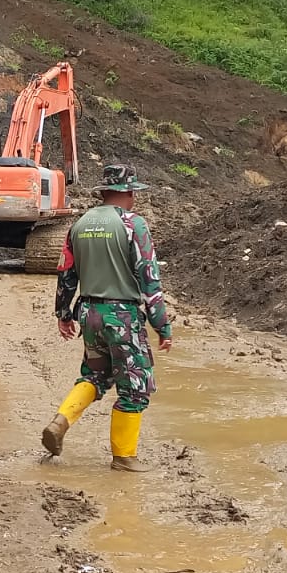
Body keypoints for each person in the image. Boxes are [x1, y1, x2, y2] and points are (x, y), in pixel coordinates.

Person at [41, 164, 174, 472]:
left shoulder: (79, 224)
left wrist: (63, 313)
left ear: (102, 192)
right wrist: (162, 326)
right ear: (129, 193)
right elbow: (149, 280)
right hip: (122, 317)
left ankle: (61, 422)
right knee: (135, 387)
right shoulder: (133, 225)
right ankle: (124, 457)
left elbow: (66, 274)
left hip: (89, 314)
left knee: (95, 374)